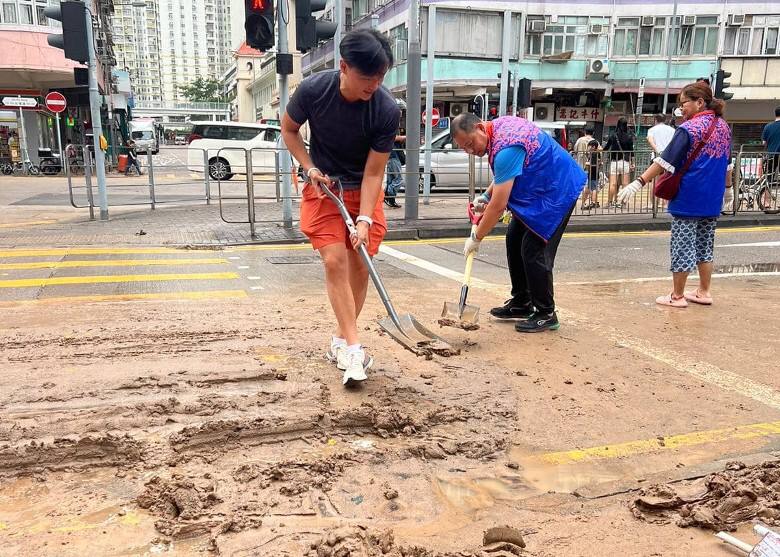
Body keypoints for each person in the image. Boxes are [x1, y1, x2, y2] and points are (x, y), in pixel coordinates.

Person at [281, 29, 400, 385]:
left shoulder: (386, 108)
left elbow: (375, 172)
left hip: (363, 188)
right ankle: (354, 348)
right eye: (367, 77)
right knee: (334, 260)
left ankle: (339, 339)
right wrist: (309, 165)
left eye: (381, 77)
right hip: (325, 187)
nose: (374, 85)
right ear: (345, 67)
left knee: (360, 265)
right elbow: (288, 130)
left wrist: (364, 218)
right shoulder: (314, 91)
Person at [453, 113, 586, 333]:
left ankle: (546, 313)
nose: (471, 151)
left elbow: (498, 207)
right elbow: (506, 175)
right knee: (514, 238)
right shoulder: (497, 130)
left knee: (533, 250)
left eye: (470, 144)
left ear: (479, 128)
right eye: (464, 148)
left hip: (557, 190)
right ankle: (522, 301)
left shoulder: (506, 146)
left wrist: (476, 238)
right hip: (540, 191)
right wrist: (485, 197)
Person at [617, 81, 732, 308]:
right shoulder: (724, 127)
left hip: (689, 196)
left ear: (699, 102)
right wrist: (728, 191)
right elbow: (728, 163)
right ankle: (703, 291)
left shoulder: (689, 129)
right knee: (705, 245)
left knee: (682, 244)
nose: (682, 110)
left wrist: (638, 183)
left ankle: (677, 296)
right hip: (713, 197)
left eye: (684, 104)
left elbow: (664, 161)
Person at [603, 117, 634, 209]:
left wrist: (599, 149)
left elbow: (606, 148)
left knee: (612, 183)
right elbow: (631, 151)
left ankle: (609, 203)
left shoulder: (613, 135)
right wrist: (633, 162)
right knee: (625, 184)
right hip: (625, 162)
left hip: (614, 162)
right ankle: (623, 203)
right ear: (626, 125)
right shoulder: (629, 137)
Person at [384, 131, 405, 208]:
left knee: (391, 179)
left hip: (391, 155)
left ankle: (391, 200)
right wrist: (403, 137)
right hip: (393, 155)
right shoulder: (390, 123)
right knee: (398, 179)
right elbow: (390, 137)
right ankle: (387, 195)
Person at [761, 106, 780, 183]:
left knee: (769, 178)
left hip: (771, 155)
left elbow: (764, 142)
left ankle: (766, 194)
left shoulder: (768, 126)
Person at [582, 140, 602, 210]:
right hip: (593, 173)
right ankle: (587, 202)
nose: (588, 148)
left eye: (589, 146)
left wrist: (587, 164)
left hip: (592, 173)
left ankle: (593, 202)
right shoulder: (595, 153)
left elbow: (593, 164)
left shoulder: (594, 154)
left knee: (593, 189)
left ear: (593, 147)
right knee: (589, 188)